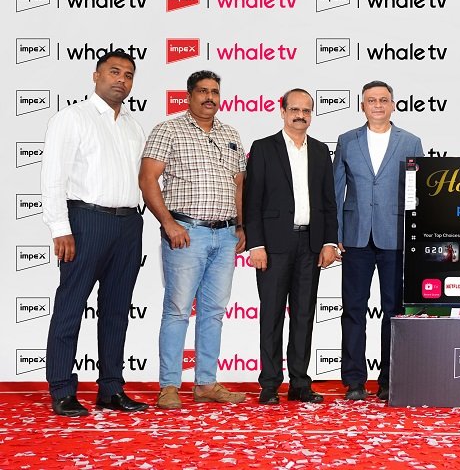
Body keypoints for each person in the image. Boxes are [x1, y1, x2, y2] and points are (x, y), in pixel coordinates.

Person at [40, 50, 148, 417]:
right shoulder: (72, 118)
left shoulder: (133, 126)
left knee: (117, 310)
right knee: (71, 305)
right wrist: (60, 228)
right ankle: (61, 389)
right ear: (96, 75)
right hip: (86, 222)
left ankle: (111, 389)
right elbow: (53, 176)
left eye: (128, 75)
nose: (121, 80)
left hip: (128, 224)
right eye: (114, 72)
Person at [140, 70, 247, 409]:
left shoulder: (231, 134)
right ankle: (169, 385)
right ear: (189, 96)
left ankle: (206, 383)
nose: (209, 97)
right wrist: (169, 224)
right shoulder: (168, 129)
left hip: (226, 235)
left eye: (214, 91)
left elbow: (239, 185)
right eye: (202, 91)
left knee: (213, 312)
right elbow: (147, 179)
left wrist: (241, 226)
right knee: (177, 310)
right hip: (187, 234)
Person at [243, 88, 339, 405]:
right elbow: (252, 201)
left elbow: (329, 201)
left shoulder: (320, 151)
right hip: (273, 246)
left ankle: (300, 382)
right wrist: (256, 244)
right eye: (294, 109)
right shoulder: (263, 148)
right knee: (271, 315)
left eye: (306, 110)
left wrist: (329, 241)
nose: (300, 115)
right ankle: (270, 384)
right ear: (282, 111)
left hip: (310, 244)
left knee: (303, 315)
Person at [333, 80, 424, 402]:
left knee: (393, 310)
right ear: (362, 106)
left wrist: (414, 236)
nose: (378, 105)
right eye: (371, 100)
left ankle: (389, 379)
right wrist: (336, 234)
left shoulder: (410, 141)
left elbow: (417, 194)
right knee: (353, 310)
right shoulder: (347, 140)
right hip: (355, 237)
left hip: (395, 236)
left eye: (383, 100)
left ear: (393, 104)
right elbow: (336, 190)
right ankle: (354, 381)